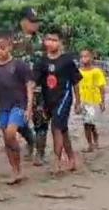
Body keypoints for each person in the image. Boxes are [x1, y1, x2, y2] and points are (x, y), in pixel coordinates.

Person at [0, 31, 34, 184]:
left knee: (11, 134)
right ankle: (15, 170)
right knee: (7, 139)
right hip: (2, 106)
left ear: (10, 47)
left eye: (3, 48)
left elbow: (29, 85)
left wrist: (30, 106)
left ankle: (25, 147)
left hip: (19, 104)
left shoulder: (19, 65)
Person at [34, 30, 82, 174]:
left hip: (64, 97)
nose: (50, 42)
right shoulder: (42, 61)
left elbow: (75, 82)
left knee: (56, 127)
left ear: (61, 43)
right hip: (49, 99)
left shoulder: (67, 60)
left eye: (54, 40)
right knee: (63, 129)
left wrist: (78, 102)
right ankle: (72, 159)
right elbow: (34, 82)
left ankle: (57, 160)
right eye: (48, 39)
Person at [13, 7, 44, 164]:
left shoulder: (43, 41)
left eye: (37, 22)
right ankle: (30, 140)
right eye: (32, 21)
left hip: (38, 87)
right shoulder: (13, 40)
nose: (36, 25)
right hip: (17, 88)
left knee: (40, 119)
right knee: (18, 120)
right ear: (23, 22)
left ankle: (40, 152)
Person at [78, 49, 107, 153]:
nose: (83, 59)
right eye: (82, 57)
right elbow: (76, 87)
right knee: (89, 123)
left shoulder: (97, 71)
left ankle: (91, 144)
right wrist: (77, 103)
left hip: (94, 101)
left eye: (86, 56)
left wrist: (102, 102)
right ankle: (94, 141)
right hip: (84, 102)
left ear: (91, 57)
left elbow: (102, 87)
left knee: (88, 124)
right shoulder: (79, 72)